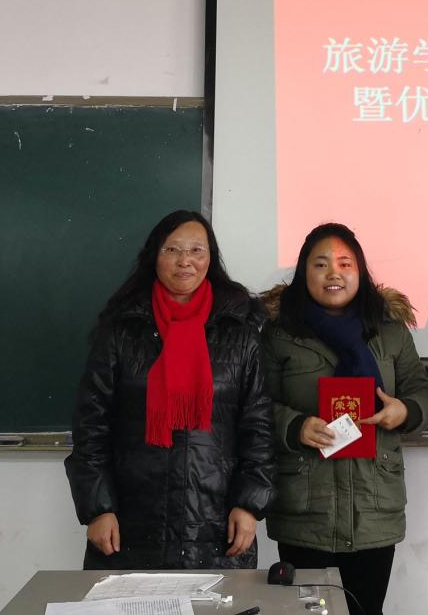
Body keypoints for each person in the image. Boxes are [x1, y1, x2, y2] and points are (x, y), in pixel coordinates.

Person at [65, 210, 276, 569]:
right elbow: (91, 426)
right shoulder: (122, 329)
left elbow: (258, 427)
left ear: (211, 258)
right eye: (172, 250)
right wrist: (98, 508)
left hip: (215, 520)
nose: (185, 261)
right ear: (154, 257)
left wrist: (249, 503)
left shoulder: (240, 331)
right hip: (131, 521)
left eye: (196, 250)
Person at [262, 223, 428, 615]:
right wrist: (295, 426)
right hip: (306, 509)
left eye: (345, 263)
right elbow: (257, 407)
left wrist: (405, 410)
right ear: (303, 272)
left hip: (373, 508)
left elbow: (423, 393)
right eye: (320, 264)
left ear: (360, 271)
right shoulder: (280, 334)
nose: (334, 273)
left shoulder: (389, 331)